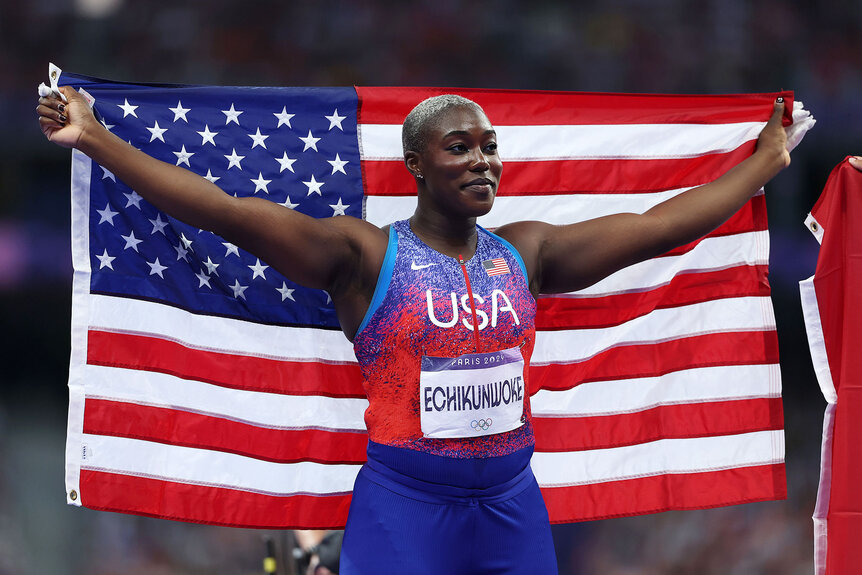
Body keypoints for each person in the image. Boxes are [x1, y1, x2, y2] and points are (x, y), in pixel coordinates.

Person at [37, 87, 814, 574]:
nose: (483, 161)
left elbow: (658, 226)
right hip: (405, 508)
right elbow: (226, 214)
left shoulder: (529, 253)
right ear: (415, 163)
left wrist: (764, 163)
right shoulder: (363, 256)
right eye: (459, 147)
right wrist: (97, 138)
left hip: (512, 502)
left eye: (489, 147)